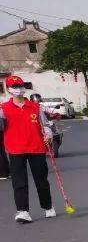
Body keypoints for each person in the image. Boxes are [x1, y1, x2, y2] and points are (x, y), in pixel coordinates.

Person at [1, 76, 53, 223]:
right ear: (8, 89)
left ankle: (48, 206)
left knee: (41, 180)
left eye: (20, 85)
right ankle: (23, 211)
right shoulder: (3, 109)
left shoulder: (35, 107)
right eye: (15, 86)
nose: (18, 88)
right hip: (15, 150)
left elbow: (46, 125)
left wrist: (48, 135)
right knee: (19, 182)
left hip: (36, 147)